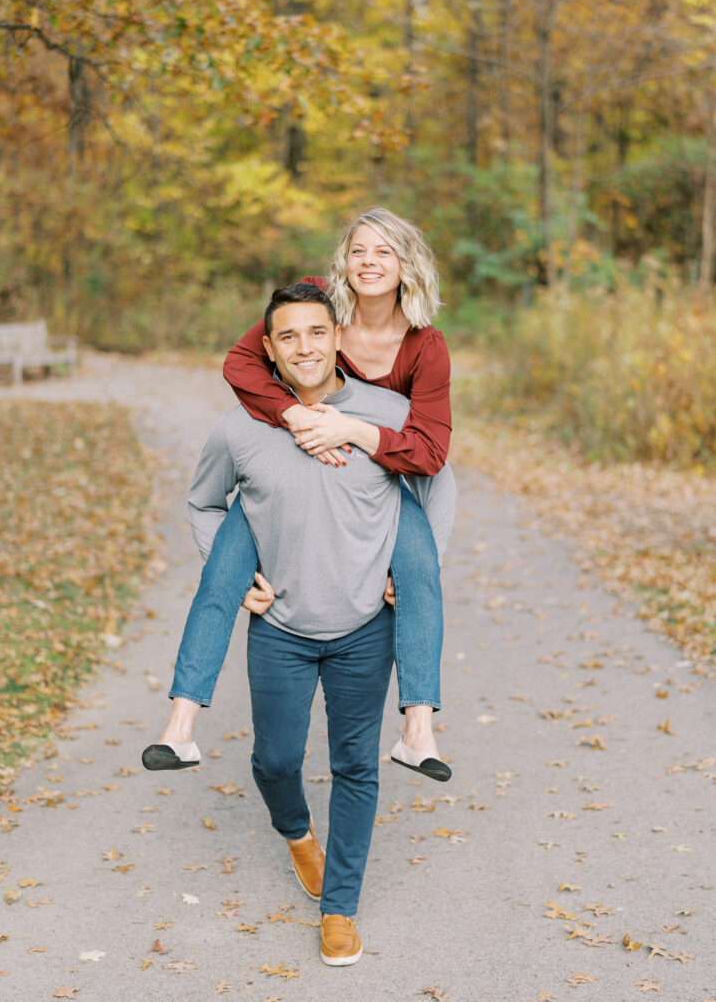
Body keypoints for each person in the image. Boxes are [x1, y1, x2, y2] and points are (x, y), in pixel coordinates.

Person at [145, 283, 455, 965]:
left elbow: (439, 482)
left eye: (317, 332)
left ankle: (340, 908)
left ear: (338, 337)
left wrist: (413, 567)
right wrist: (236, 578)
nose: (306, 347)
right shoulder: (240, 427)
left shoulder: (387, 411)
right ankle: (295, 833)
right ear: (269, 349)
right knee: (274, 759)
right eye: (289, 337)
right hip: (281, 628)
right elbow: (202, 503)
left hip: (363, 628)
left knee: (355, 766)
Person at [152, 207, 453, 780]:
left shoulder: (423, 344)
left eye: (384, 251)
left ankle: (419, 730)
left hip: (375, 472)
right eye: (359, 250)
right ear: (343, 258)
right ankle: (180, 726)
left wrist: (352, 430)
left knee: (422, 571)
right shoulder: (317, 300)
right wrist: (295, 415)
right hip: (292, 467)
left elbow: (432, 454)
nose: (369, 262)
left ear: (406, 264)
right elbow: (242, 361)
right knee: (222, 573)